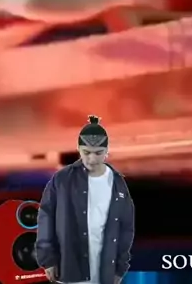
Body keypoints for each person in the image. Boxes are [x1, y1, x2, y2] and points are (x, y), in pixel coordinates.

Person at [35, 115, 135, 284]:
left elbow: (126, 227)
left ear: (107, 151)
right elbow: (46, 217)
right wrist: (48, 259)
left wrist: (120, 267)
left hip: (105, 274)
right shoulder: (62, 180)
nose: (92, 159)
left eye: (98, 153)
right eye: (86, 152)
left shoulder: (117, 183)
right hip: (70, 270)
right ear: (79, 149)